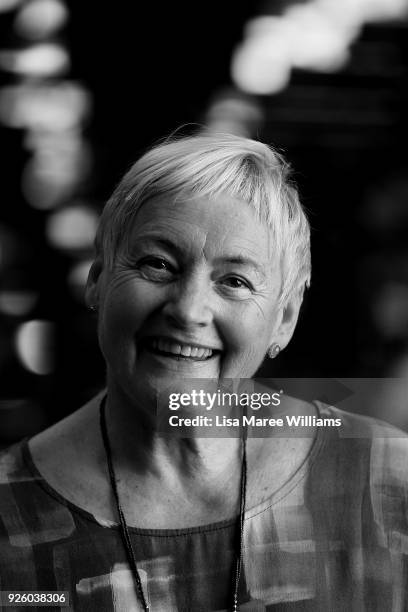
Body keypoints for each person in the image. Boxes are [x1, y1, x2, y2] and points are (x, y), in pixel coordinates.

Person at [1, 131, 408, 612]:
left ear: (285, 318)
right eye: (158, 264)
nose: (189, 310)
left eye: (234, 281)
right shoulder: (9, 516)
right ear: (97, 279)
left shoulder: (390, 481)